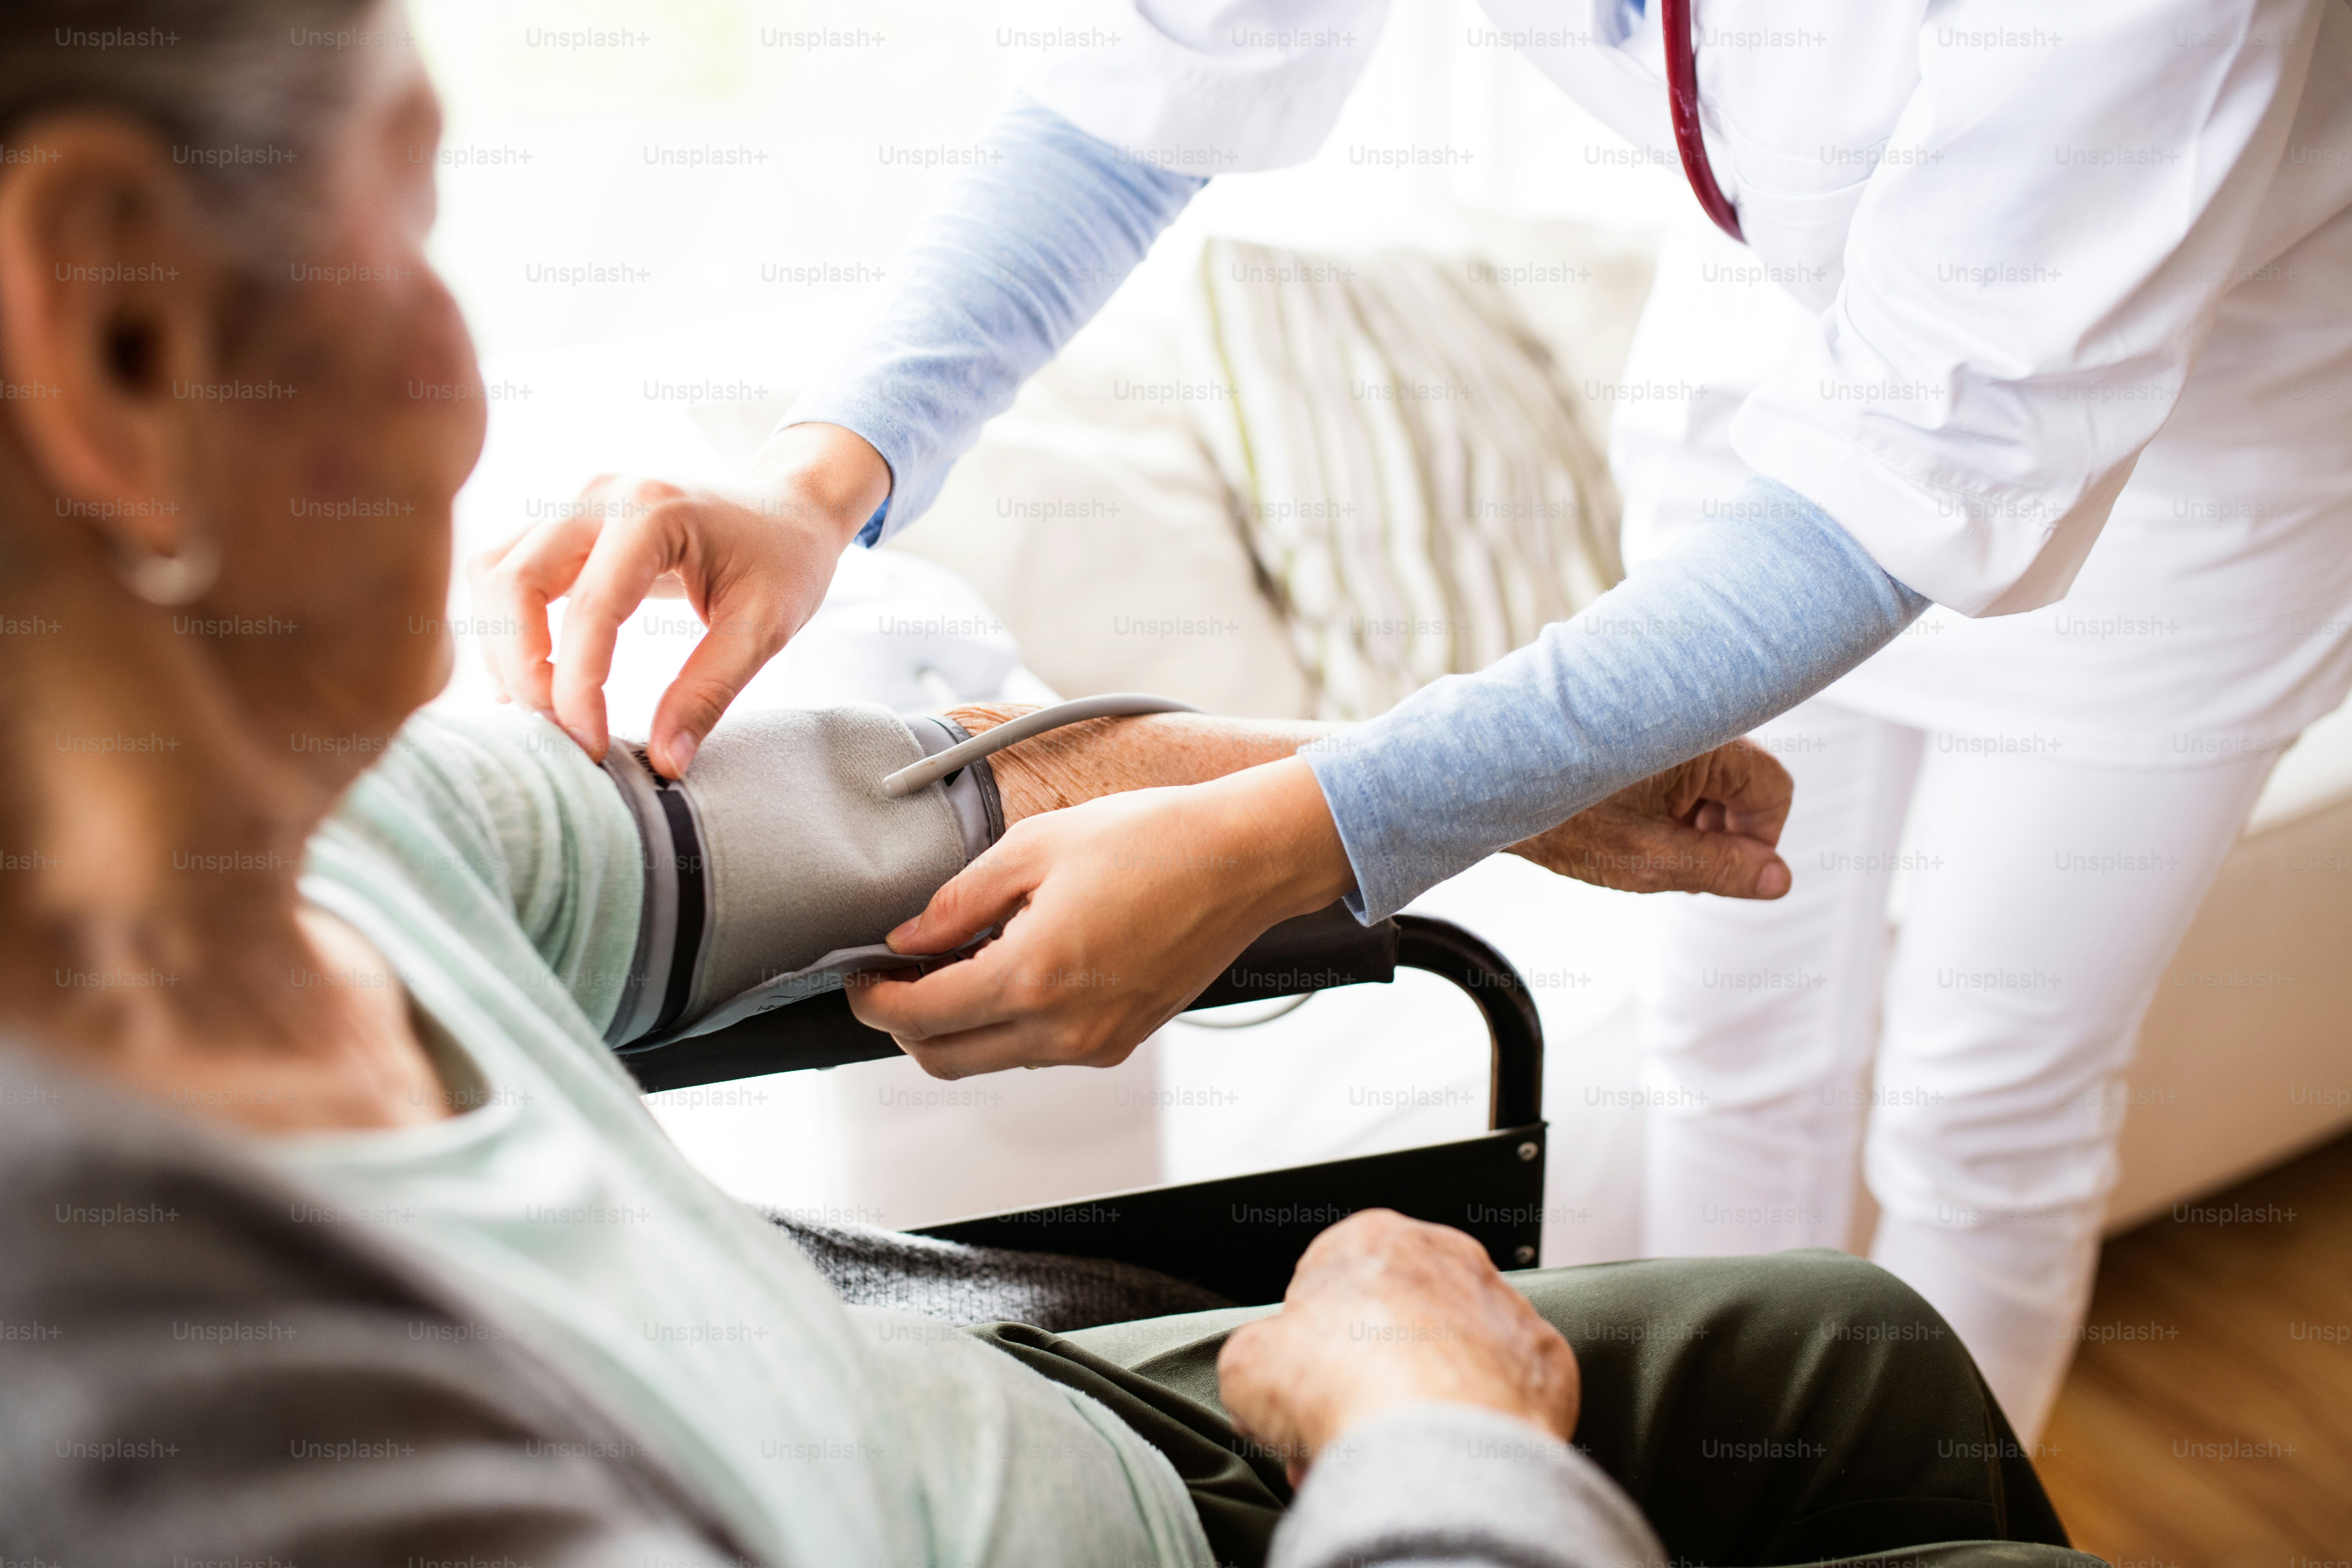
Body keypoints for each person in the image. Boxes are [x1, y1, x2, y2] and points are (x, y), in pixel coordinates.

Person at [0, 6, 2089, 1566]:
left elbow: (912, 804)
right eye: (408, 217)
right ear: (115, 340)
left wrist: (1439, 789)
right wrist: (1424, 1436)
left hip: (994, 1427)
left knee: (1848, 1340)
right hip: (1261, 1494)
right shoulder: (180, 1408)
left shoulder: (328, 841)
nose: (469, 388)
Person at [476, 0, 2352, 1428]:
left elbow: (1918, 476)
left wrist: (1296, 836)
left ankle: (1904, 1503)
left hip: (2220, 448)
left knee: (1991, 1100)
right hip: (1781, 341)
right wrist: (820, 484)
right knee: (1732, 1040)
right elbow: (1150, 90)